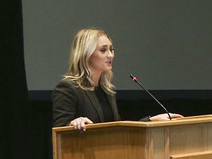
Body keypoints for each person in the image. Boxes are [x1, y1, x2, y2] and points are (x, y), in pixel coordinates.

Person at [52, 28, 181, 132]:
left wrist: (151, 120)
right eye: (103, 50)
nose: (110, 55)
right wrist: (73, 124)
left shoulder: (107, 90)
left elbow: (117, 130)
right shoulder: (68, 88)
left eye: (111, 49)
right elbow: (59, 132)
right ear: (86, 54)